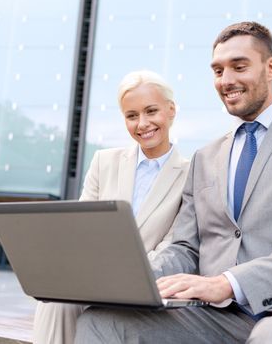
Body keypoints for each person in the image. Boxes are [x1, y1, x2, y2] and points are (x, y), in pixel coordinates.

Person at [74, 21, 272, 344]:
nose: (227, 80)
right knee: (100, 321)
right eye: (218, 71)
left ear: (271, 68)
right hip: (216, 316)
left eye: (239, 67)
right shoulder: (204, 158)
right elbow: (184, 247)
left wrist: (228, 282)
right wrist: (131, 278)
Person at [33, 70, 190, 344]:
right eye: (131, 116)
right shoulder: (104, 162)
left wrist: (125, 277)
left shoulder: (192, 173)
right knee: (55, 301)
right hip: (93, 278)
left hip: (149, 286)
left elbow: (176, 244)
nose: (142, 124)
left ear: (171, 110)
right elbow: (81, 231)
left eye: (151, 111)